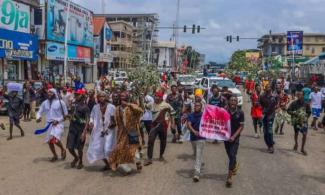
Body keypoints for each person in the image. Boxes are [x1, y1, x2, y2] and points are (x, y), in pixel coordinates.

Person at [108, 92, 144, 173]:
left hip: (132, 131)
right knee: (119, 150)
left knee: (133, 150)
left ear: (127, 97)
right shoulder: (117, 108)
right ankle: (126, 168)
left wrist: (129, 104)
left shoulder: (131, 107)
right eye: (121, 96)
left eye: (123, 96)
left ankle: (138, 162)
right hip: (122, 133)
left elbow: (140, 110)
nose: (121, 98)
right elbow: (115, 120)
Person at [144, 91, 175, 166]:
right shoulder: (151, 104)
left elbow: (172, 113)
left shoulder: (166, 105)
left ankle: (161, 155)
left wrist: (173, 124)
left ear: (161, 98)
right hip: (154, 125)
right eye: (155, 96)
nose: (156, 98)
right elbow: (144, 106)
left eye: (158, 96)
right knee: (150, 141)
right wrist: (141, 97)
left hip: (163, 125)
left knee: (163, 141)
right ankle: (149, 158)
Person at [87, 91, 117, 170]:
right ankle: (108, 164)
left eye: (103, 96)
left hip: (109, 131)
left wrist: (108, 128)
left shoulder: (112, 107)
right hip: (98, 131)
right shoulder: (95, 107)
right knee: (98, 149)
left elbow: (115, 120)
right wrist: (91, 123)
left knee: (107, 149)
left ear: (106, 97)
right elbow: (91, 117)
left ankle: (113, 163)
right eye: (99, 96)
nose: (101, 98)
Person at [36, 88, 68, 162]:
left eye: (51, 93)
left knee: (55, 139)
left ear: (54, 94)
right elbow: (39, 112)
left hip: (58, 124)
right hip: (48, 124)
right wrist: (38, 117)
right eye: (48, 92)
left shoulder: (61, 102)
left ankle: (63, 149)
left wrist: (58, 120)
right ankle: (55, 155)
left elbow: (66, 115)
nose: (49, 94)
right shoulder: (45, 103)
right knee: (49, 141)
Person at [66, 89, 90, 169]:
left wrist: (84, 132)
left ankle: (80, 161)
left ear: (82, 96)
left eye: (78, 94)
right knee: (70, 147)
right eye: (75, 94)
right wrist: (68, 115)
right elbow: (70, 114)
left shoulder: (85, 107)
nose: (76, 96)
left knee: (80, 148)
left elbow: (87, 120)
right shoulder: (73, 104)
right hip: (72, 129)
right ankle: (76, 158)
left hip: (80, 130)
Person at [225, 96, 245, 187]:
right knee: (230, 155)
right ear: (229, 102)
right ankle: (234, 165)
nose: (233, 102)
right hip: (226, 138)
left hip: (235, 138)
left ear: (237, 103)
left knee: (232, 155)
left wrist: (233, 136)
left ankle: (229, 177)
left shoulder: (240, 113)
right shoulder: (225, 111)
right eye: (231, 100)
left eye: (235, 100)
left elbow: (241, 127)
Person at [287, 91, 311, 155]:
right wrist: (294, 113)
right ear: (297, 96)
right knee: (296, 133)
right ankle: (296, 143)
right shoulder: (294, 103)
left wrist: (305, 117)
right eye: (298, 95)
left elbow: (309, 112)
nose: (299, 96)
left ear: (303, 95)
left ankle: (302, 148)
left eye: (301, 95)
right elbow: (288, 110)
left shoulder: (306, 104)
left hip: (304, 122)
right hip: (296, 121)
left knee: (305, 134)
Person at [187, 102, 205, 182]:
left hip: (201, 137)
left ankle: (196, 173)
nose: (196, 107)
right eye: (195, 105)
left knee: (198, 154)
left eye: (198, 105)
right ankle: (200, 162)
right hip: (193, 137)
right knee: (196, 154)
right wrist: (194, 131)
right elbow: (189, 125)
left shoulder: (204, 115)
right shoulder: (191, 115)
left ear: (201, 107)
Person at [260, 85, 279, 153]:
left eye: (269, 88)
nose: (268, 89)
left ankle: (271, 147)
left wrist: (276, 109)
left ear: (271, 89)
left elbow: (276, 105)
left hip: (270, 116)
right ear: (265, 89)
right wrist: (261, 110)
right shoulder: (262, 96)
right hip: (264, 116)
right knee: (265, 132)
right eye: (267, 88)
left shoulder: (274, 97)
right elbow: (260, 104)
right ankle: (269, 145)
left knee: (269, 131)